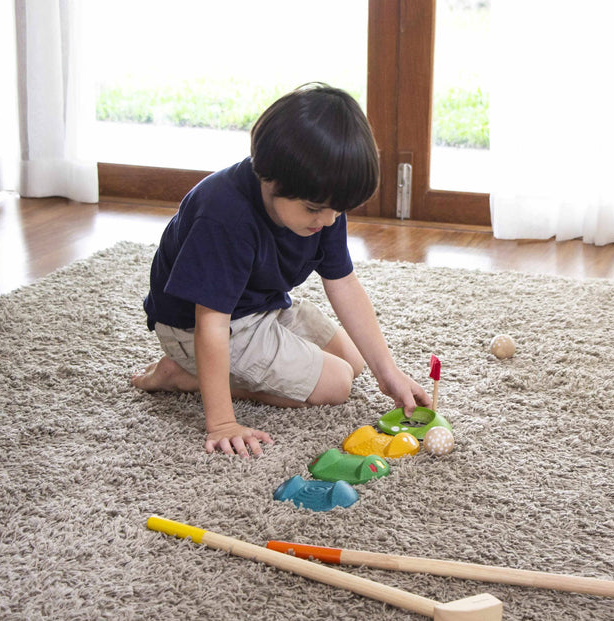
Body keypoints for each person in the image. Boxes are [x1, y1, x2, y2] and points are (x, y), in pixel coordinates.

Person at [131, 83, 430, 458]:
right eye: (315, 209)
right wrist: (222, 421)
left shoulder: (324, 201)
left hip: (262, 306)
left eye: (338, 210)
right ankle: (184, 377)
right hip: (196, 326)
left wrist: (389, 373)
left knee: (353, 363)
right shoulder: (224, 215)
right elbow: (211, 322)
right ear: (268, 178)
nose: (328, 220)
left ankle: (202, 374)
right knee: (336, 385)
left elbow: (344, 284)